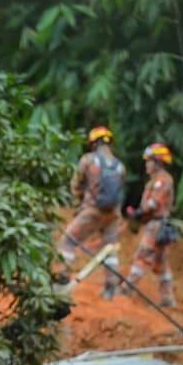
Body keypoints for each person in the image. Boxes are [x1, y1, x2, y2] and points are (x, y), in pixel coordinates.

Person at [57, 125, 126, 300]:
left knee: (68, 242)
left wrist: (78, 204)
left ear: (93, 143)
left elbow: (76, 185)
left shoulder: (88, 160)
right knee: (109, 250)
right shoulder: (120, 166)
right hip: (113, 214)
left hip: (92, 211)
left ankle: (62, 280)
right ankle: (111, 289)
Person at [123, 143, 177, 307]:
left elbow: (154, 203)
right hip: (156, 224)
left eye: (149, 161)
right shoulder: (156, 180)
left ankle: (126, 289)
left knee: (141, 256)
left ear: (157, 162)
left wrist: (139, 212)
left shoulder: (162, 180)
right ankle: (167, 298)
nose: (147, 165)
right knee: (160, 264)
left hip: (156, 225)